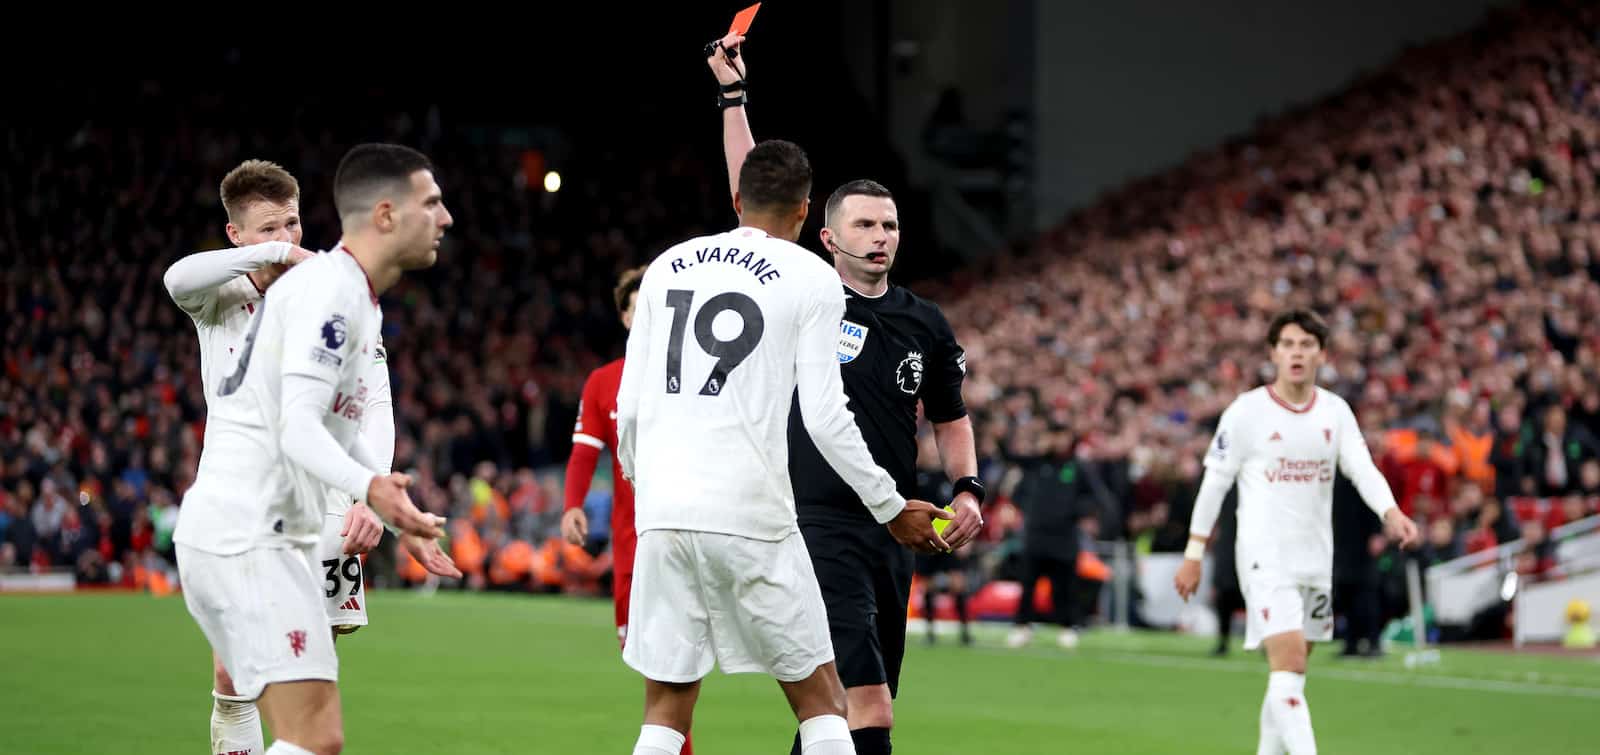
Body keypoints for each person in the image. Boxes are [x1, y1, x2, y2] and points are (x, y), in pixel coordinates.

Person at [614, 138, 950, 755]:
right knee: (824, 699)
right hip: (753, 514)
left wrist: (644, 485)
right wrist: (890, 505)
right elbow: (825, 418)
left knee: (665, 710)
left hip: (663, 514)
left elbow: (629, 406)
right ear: (805, 212)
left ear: (737, 198)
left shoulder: (666, 266)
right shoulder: (810, 277)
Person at [706, 33, 985, 755]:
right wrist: (734, 97)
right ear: (824, 236)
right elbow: (752, 198)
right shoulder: (805, 291)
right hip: (814, 522)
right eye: (863, 223)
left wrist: (969, 487)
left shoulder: (924, 322)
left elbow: (951, 418)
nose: (880, 235)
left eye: (889, 224)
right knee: (870, 711)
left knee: (841, 717)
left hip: (896, 525)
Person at [173, 144, 462, 755]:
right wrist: (375, 490)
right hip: (246, 521)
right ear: (386, 214)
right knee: (295, 718)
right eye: (432, 204)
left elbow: (352, 416)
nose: (447, 218)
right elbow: (298, 425)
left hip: (288, 517)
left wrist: (387, 502)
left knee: (303, 721)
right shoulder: (298, 292)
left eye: (292, 223)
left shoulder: (344, 296)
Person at [1176, 309, 1419, 755]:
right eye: (1287, 344)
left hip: (1314, 559)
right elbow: (1215, 482)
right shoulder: (1246, 412)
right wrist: (1194, 553)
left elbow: (1362, 468)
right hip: (1264, 558)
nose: (1296, 353)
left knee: (1290, 674)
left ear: (1322, 355)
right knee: (1288, 662)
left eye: (1306, 345)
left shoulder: (1335, 411)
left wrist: (1391, 511)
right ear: (1273, 353)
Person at [560, 267, 696, 754]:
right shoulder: (603, 383)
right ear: (624, 316)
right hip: (631, 545)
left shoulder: (692, 376)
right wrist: (572, 505)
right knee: (652, 667)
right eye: (638, 307)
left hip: (687, 537)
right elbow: (583, 450)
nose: (647, 317)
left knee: (673, 667)